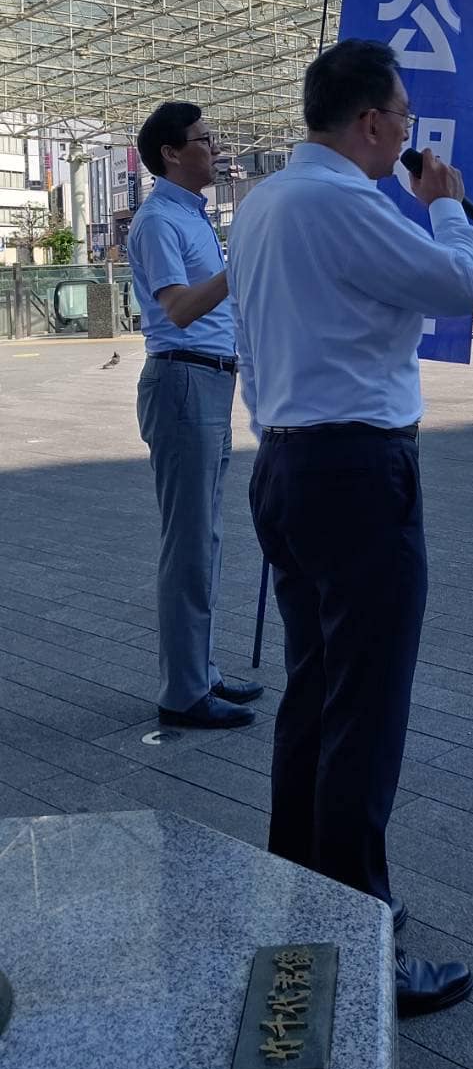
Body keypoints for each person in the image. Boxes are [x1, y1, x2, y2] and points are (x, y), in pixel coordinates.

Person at [227, 39, 473, 1018]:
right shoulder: (341, 201)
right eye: (403, 117)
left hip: (288, 462)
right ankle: (360, 938)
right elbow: (458, 282)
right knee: (364, 714)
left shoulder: (261, 204)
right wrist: (449, 201)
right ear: (371, 121)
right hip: (355, 471)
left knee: (318, 695)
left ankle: (300, 896)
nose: (408, 136)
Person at [127, 103, 263, 729]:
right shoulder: (159, 221)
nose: (215, 148)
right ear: (172, 153)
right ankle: (183, 691)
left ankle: (199, 671)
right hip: (183, 379)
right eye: (204, 140)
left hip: (206, 382)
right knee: (187, 544)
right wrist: (240, 270)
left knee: (203, 538)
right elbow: (179, 308)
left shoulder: (192, 217)